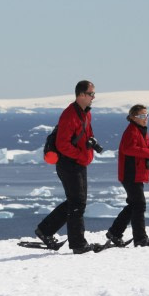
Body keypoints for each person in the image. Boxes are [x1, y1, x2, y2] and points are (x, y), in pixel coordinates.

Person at [34, 80, 103, 254]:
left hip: (79, 163)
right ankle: (78, 244)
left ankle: (45, 230)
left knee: (77, 201)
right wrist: (81, 155)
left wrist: (90, 144)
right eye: (91, 94)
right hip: (68, 163)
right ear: (81, 95)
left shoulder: (85, 113)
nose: (94, 97)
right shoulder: (69, 115)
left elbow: (85, 134)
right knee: (77, 202)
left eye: (94, 94)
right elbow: (62, 144)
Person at [106, 104, 149, 247]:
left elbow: (146, 145)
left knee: (134, 204)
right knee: (139, 204)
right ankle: (140, 238)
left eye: (146, 115)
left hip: (136, 174)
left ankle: (115, 232)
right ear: (133, 117)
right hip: (130, 174)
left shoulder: (140, 130)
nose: (145, 118)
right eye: (142, 116)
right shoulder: (132, 131)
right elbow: (128, 149)